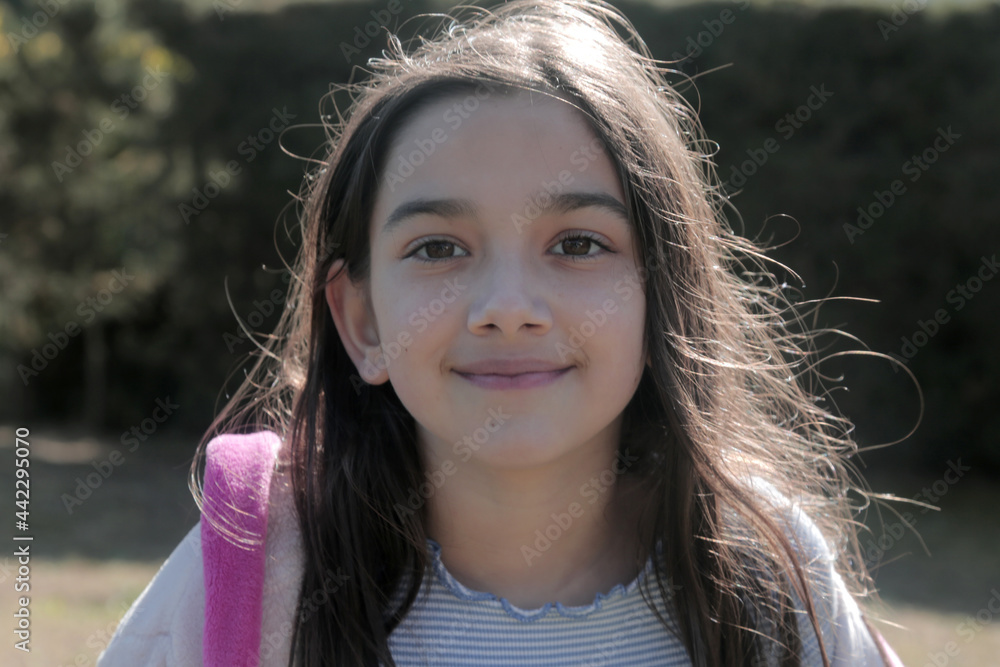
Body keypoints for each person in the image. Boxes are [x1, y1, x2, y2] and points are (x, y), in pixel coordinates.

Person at [99, 0, 908, 664]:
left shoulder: (769, 579)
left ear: (660, 297)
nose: (508, 305)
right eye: (439, 248)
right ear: (362, 320)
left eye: (579, 243)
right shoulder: (249, 578)